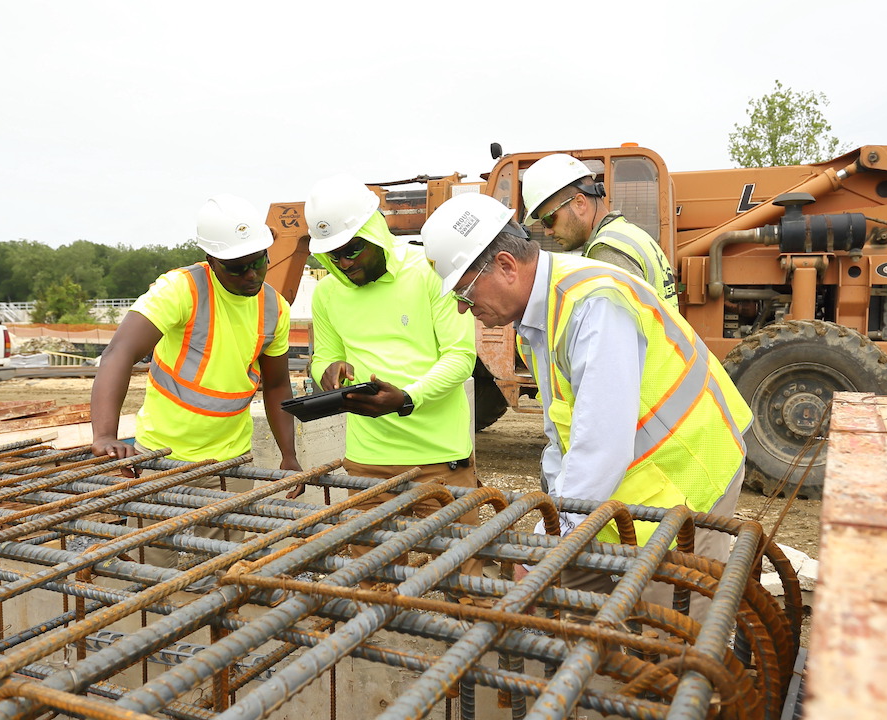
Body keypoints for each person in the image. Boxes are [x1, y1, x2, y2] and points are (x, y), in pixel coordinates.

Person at [421, 192, 752, 596]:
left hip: (689, 472)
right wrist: (552, 528)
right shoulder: (538, 315)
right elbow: (565, 433)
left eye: (463, 292)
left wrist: (546, 545)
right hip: (630, 485)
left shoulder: (592, 305)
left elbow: (601, 447)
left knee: (668, 633)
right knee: (584, 611)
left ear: (506, 266)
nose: (461, 308)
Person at [91, 193, 301, 566]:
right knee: (154, 560)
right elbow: (118, 354)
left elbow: (278, 385)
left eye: (258, 262)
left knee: (226, 560)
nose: (251, 274)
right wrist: (105, 435)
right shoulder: (181, 289)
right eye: (237, 268)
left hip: (230, 460)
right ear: (212, 262)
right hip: (162, 456)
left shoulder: (274, 307)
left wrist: (289, 456)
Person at [301, 173, 484, 587]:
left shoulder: (429, 273)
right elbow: (325, 355)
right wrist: (325, 372)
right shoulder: (328, 294)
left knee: (465, 577)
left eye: (351, 250)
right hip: (367, 462)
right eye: (332, 256)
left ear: (375, 232)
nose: (344, 263)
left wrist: (407, 399)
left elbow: (460, 358)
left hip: (439, 460)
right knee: (370, 576)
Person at [521, 153, 679, 309]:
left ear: (580, 203)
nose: (547, 232)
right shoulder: (632, 235)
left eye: (548, 220)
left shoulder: (605, 250)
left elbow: (618, 331)